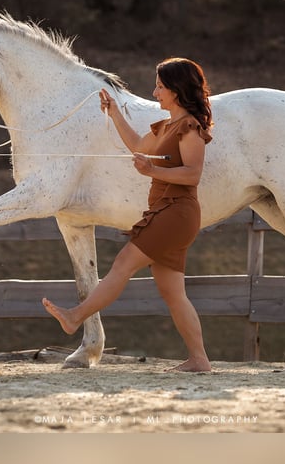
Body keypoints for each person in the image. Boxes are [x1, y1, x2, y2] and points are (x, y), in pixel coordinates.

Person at [42, 57, 214, 372]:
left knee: (122, 265)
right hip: (165, 212)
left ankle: (75, 316)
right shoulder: (166, 126)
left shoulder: (189, 126)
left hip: (177, 212)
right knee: (173, 293)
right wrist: (114, 112)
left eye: (161, 87)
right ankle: (199, 359)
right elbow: (136, 144)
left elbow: (193, 174)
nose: (155, 92)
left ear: (176, 91)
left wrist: (151, 170)